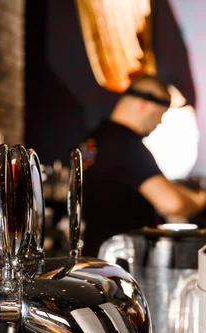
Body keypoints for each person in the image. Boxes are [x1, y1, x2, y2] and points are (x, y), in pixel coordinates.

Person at [81, 75, 206, 256]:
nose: (160, 122)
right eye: (161, 114)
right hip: (121, 261)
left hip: (95, 253)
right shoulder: (126, 145)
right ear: (143, 104)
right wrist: (201, 200)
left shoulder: (95, 140)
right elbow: (172, 204)